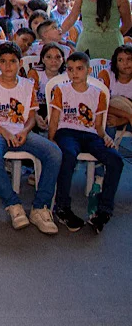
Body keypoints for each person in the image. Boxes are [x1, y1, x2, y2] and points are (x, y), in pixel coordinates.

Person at [0, 42, 60, 234]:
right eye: (3, 61)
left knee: (54, 153)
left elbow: (31, 117)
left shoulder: (28, 85)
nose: (8, 66)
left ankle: (40, 207)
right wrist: (4, 132)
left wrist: (25, 131)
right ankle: (13, 204)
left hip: (20, 132)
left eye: (12, 61)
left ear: (20, 63)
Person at [49, 52, 124, 234]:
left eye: (79, 69)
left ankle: (104, 210)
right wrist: (51, 141)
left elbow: (98, 126)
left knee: (115, 160)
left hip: (91, 135)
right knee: (68, 155)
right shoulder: (61, 89)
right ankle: (62, 207)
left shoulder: (98, 93)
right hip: (67, 132)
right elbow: (54, 119)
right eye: (70, 69)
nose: (74, 73)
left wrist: (105, 137)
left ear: (88, 70)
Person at [61, 0, 132, 59]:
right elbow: (72, 17)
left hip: (111, 44)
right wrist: (60, 32)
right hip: (86, 41)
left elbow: (127, 23)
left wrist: (114, 34)